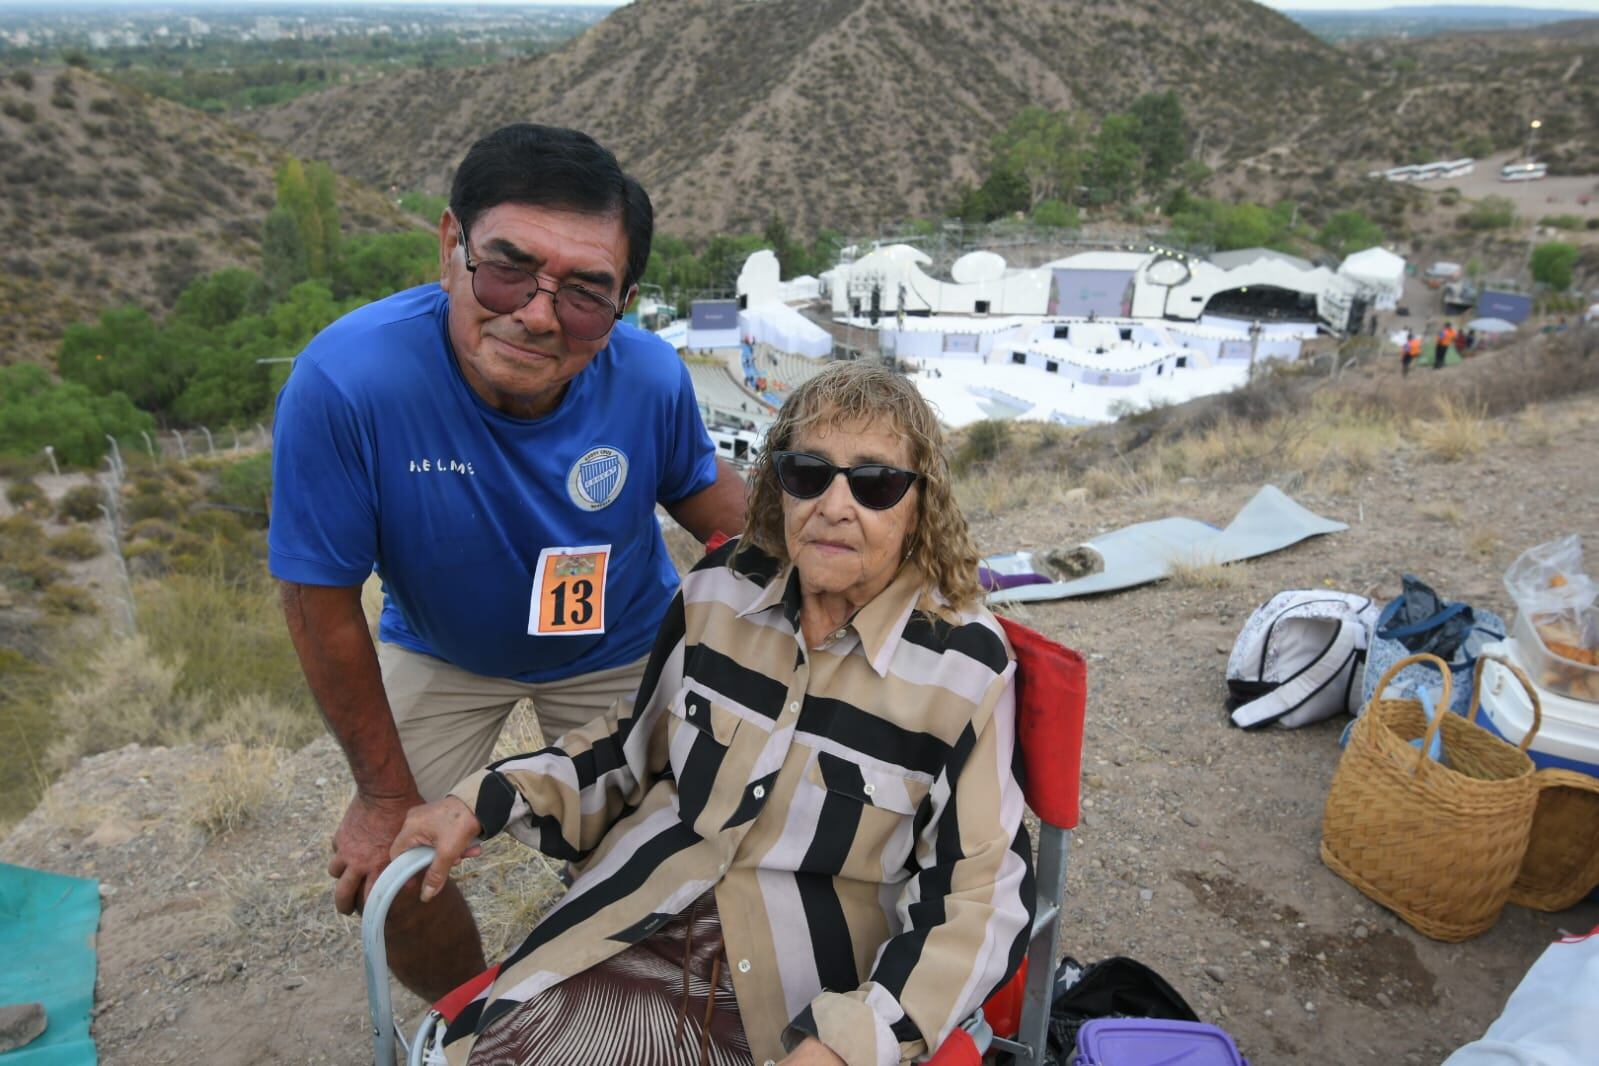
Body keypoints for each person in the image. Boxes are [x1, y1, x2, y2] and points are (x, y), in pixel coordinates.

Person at [393, 363, 1034, 1066]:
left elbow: (977, 899)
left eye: (875, 482)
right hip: (630, 921)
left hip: (793, 995)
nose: (834, 505)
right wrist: (484, 797)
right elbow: (627, 751)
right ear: (777, 486)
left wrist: (853, 1042)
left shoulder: (962, 666)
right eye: (808, 473)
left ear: (919, 505)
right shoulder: (718, 594)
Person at [268, 123, 747, 1002]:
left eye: (584, 293)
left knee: (684, 861)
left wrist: (877, 568)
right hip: (445, 649)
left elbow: (715, 509)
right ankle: (476, 1025)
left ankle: (623, 1013)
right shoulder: (348, 382)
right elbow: (318, 600)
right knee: (393, 870)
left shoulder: (647, 375)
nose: (535, 313)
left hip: (621, 644)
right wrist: (381, 797)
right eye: (508, 269)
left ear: (624, 302)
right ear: (451, 247)